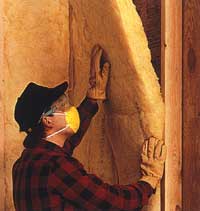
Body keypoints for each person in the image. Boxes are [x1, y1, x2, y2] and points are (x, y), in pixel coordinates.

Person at [12, 45, 166, 211]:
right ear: (48, 120)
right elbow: (113, 203)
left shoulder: (24, 163)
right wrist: (149, 181)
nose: (69, 108)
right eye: (63, 105)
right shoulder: (56, 166)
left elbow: (65, 145)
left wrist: (93, 98)